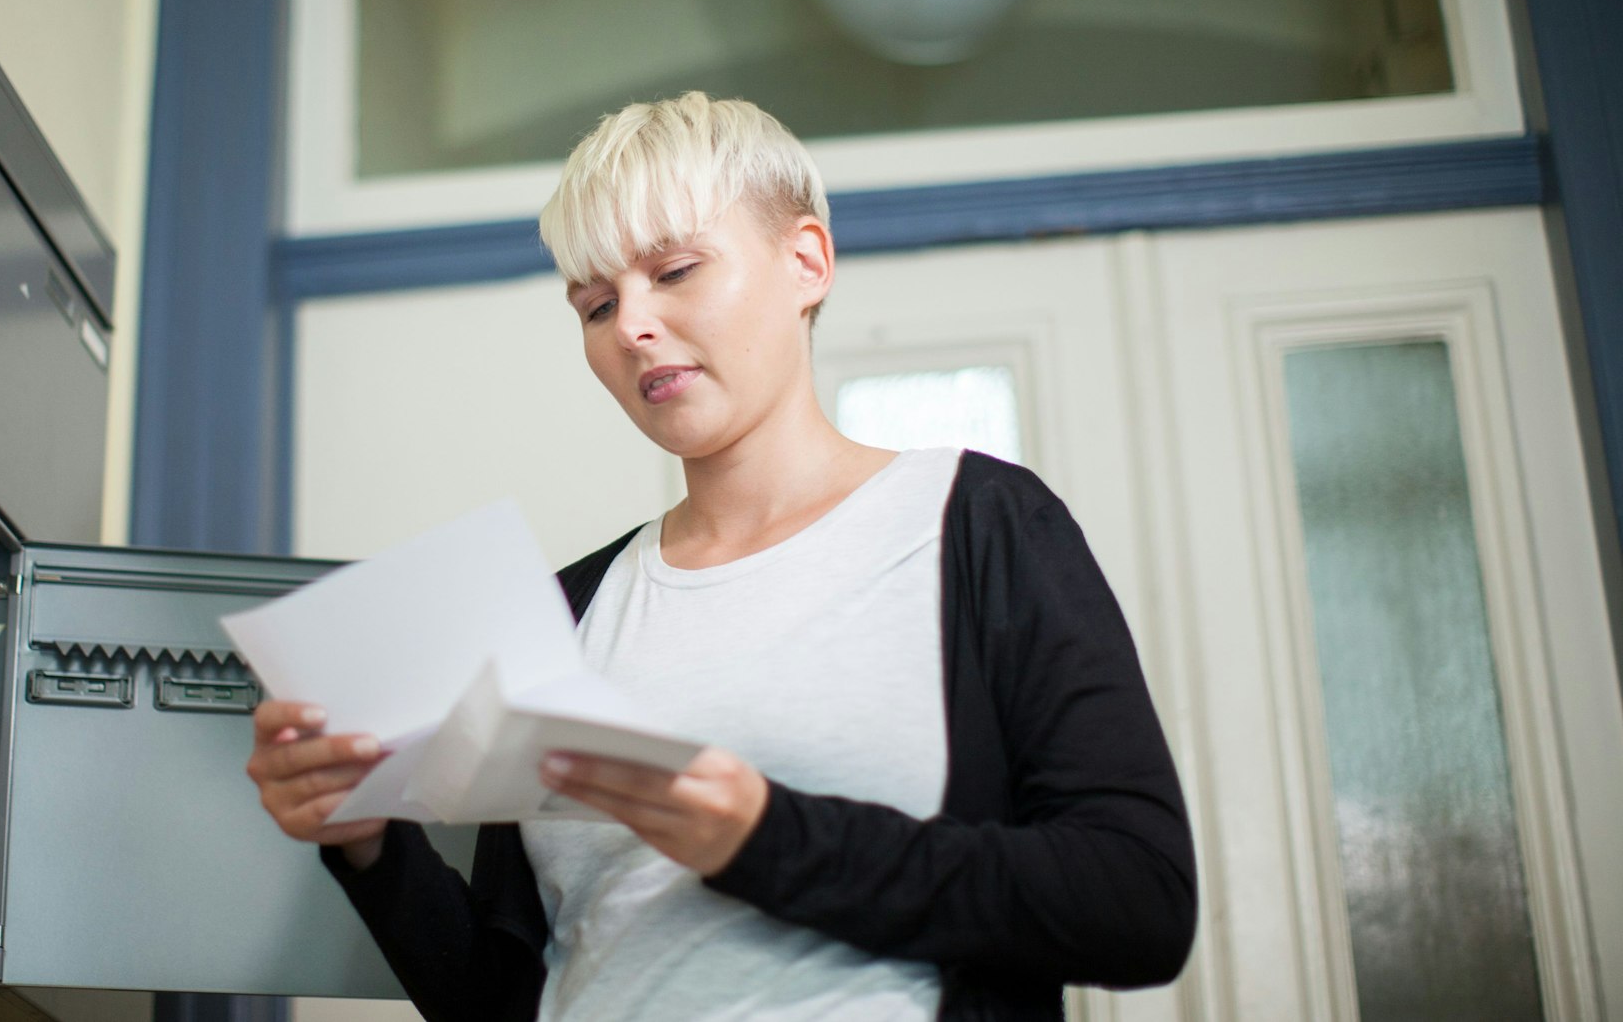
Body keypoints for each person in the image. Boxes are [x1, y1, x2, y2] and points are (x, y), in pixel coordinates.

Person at [246, 92, 1196, 1021]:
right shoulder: (569, 610)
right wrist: (369, 846)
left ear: (806, 261)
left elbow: (1138, 901)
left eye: (675, 270)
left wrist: (763, 837)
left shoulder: (977, 525)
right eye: (595, 305)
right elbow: (505, 996)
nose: (631, 326)